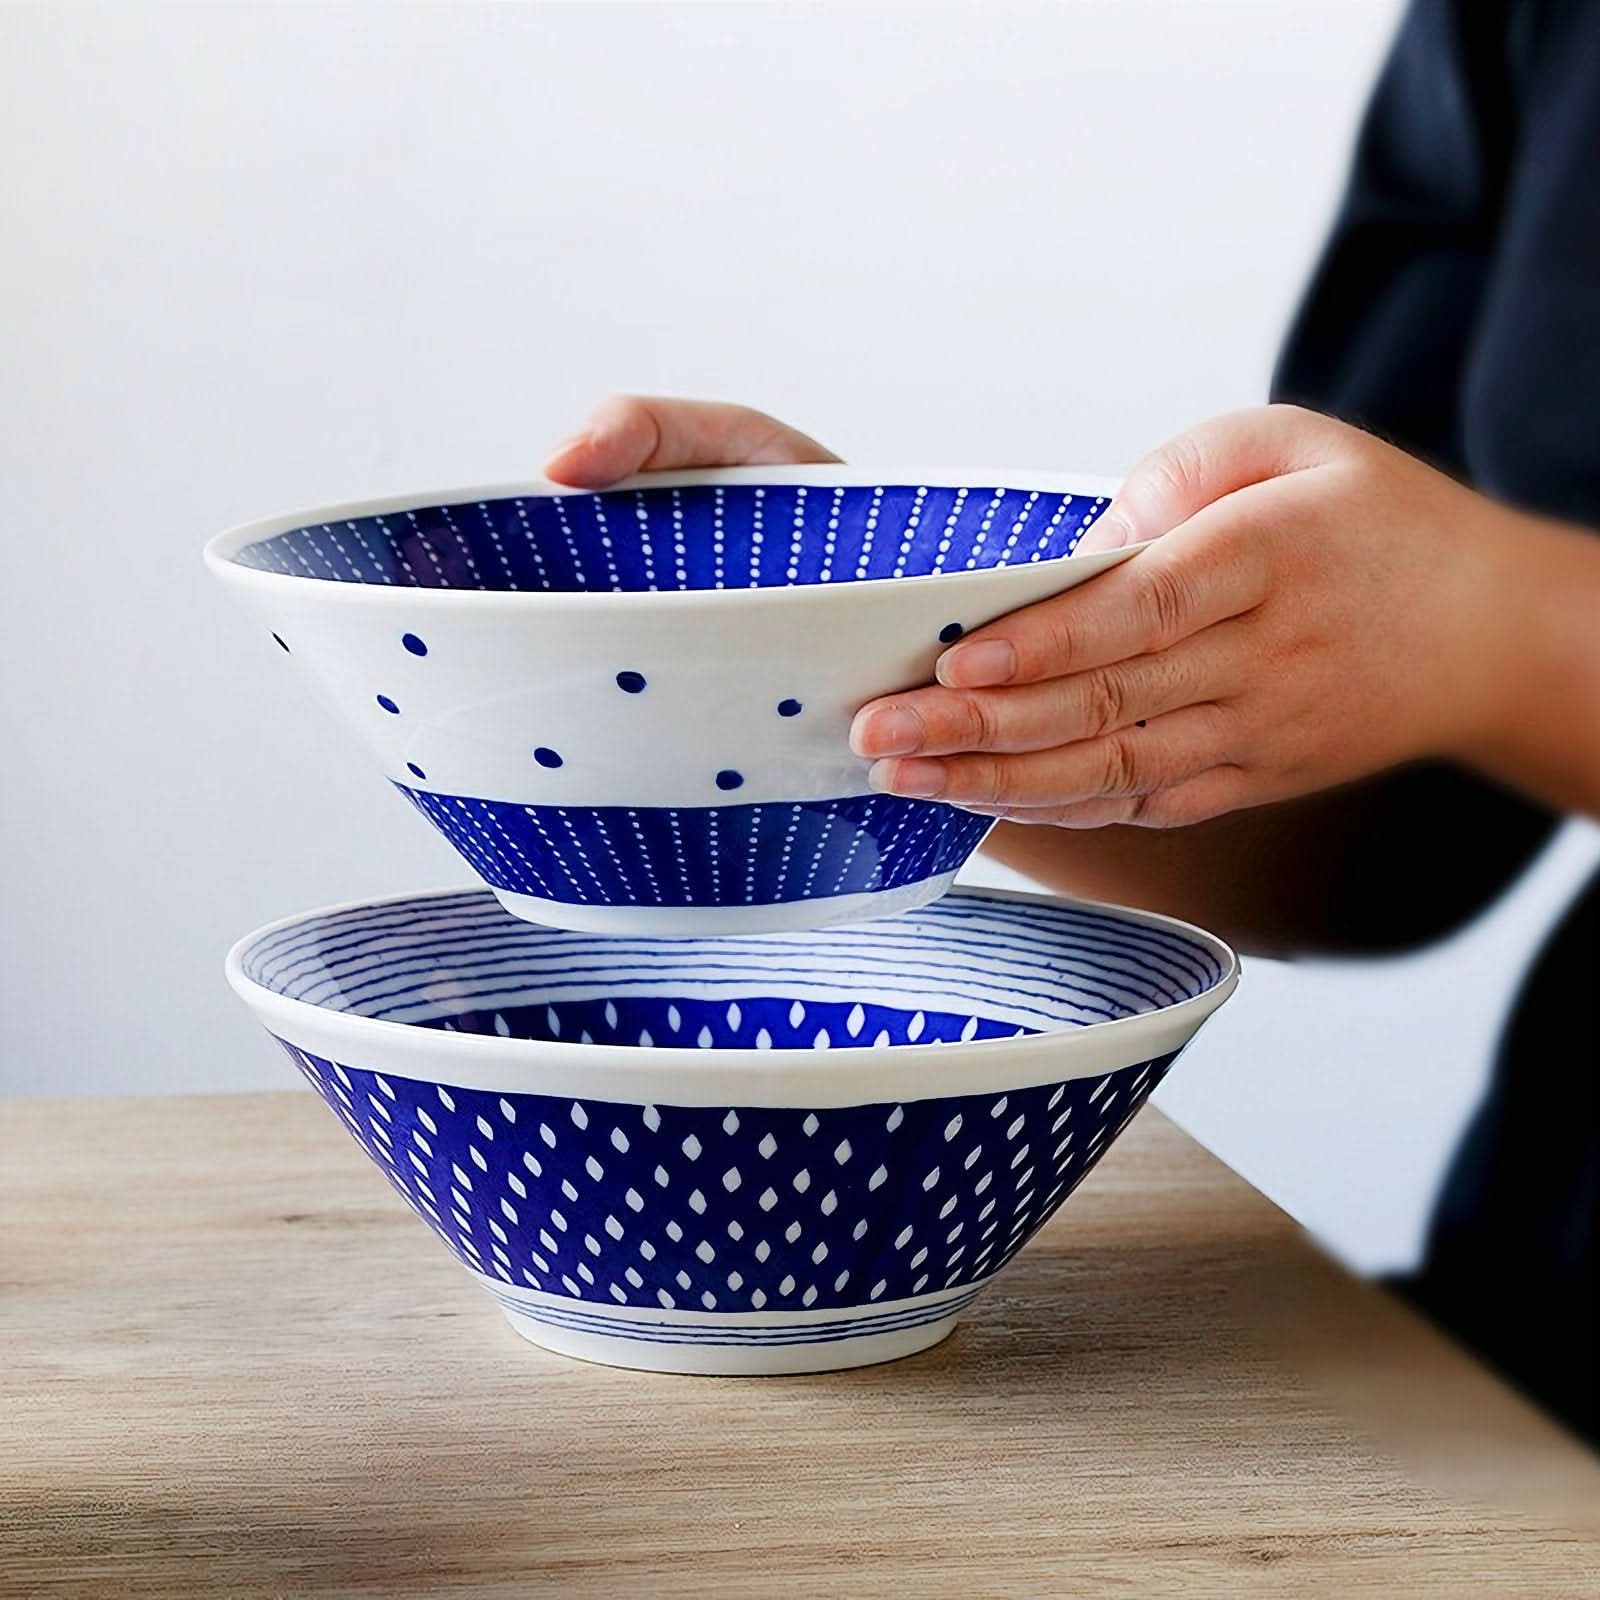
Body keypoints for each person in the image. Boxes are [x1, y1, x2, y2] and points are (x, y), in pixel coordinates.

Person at [541, 0, 1600, 1444]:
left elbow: (1460, 650)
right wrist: (874, 665)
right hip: (1539, 1322)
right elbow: (1393, 840)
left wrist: (1493, 627)